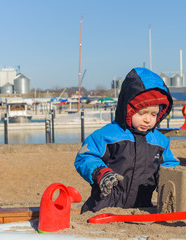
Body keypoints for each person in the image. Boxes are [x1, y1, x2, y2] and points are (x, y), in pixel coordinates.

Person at [74, 67, 180, 213]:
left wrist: (165, 174)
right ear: (128, 109)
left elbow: (171, 164)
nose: (148, 119)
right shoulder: (108, 135)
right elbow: (85, 156)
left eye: (154, 114)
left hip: (143, 207)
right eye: (142, 112)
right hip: (104, 206)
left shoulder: (160, 142)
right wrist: (100, 172)